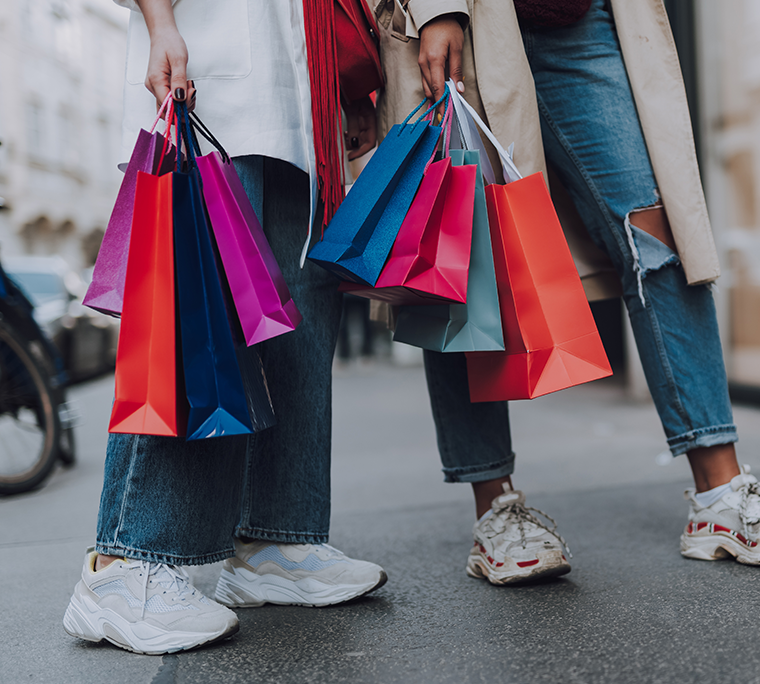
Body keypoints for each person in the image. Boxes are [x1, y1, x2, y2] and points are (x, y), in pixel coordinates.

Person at [376, 0, 760, 584]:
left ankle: (721, 493)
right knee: (459, 249)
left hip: (583, 21)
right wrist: (435, 8)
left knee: (653, 230)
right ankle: (496, 508)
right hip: (473, 18)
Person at [63, 0, 384, 655]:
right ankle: (127, 566)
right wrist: (159, 23)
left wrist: (346, 85)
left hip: (297, 96)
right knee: (194, 313)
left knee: (297, 316)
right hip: (207, 69)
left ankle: (275, 539)